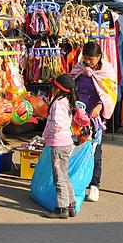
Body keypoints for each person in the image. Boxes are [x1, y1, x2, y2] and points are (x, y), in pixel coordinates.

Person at [70, 41, 116, 203]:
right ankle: (77, 182)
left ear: (99, 57)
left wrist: (99, 106)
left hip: (95, 116)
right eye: (86, 58)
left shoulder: (107, 71)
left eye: (91, 59)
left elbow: (110, 94)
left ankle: (94, 185)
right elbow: (70, 86)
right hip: (78, 114)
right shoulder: (79, 68)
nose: (88, 62)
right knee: (76, 149)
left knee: (94, 150)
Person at [42, 74, 79, 219]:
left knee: (59, 177)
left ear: (58, 89)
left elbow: (56, 124)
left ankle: (61, 208)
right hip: (66, 142)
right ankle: (71, 205)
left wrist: (45, 135)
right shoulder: (68, 101)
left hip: (58, 144)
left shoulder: (58, 103)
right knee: (65, 175)